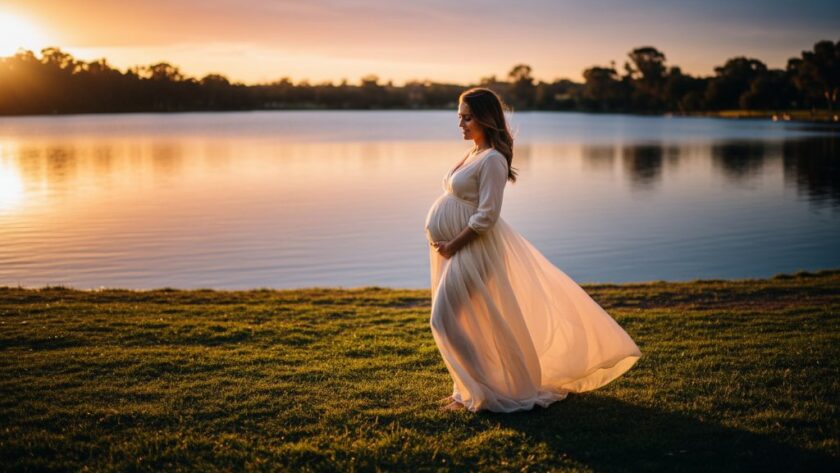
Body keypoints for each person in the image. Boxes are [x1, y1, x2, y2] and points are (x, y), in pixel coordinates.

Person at [424, 87, 642, 413]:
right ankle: (466, 391)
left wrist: (453, 245)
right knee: (466, 321)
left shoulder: (494, 160)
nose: (461, 124)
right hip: (455, 250)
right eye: (460, 117)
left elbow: (487, 215)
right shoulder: (473, 154)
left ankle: (483, 391)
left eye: (467, 117)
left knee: (443, 318)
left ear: (485, 118)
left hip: (473, 249)